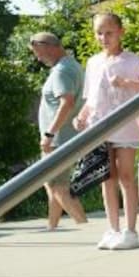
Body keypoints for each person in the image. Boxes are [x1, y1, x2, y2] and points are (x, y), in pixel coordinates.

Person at [73, 13, 139, 249]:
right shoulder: (93, 63)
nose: (104, 37)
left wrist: (129, 83)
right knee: (106, 178)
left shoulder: (134, 61)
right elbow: (91, 100)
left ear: (121, 32)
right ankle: (112, 229)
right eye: (99, 33)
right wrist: (81, 117)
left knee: (126, 176)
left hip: (126, 127)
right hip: (99, 127)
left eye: (109, 32)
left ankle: (131, 231)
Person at [30, 31, 88, 230]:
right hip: (63, 138)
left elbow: (67, 103)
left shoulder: (62, 71)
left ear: (49, 46)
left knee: (58, 188)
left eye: (38, 52)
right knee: (52, 185)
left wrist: (49, 134)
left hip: (58, 140)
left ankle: (85, 228)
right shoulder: (71, 66)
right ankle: (52, 228)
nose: (37, 57)